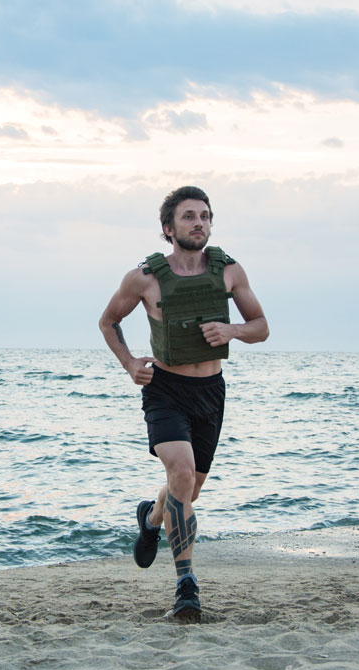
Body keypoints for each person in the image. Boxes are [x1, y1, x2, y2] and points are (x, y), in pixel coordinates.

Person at [98, 186, 269, 619]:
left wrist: (231, 332)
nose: (199, 223)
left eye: (206, 216)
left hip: (210, 391)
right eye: (189, 216)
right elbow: (109, 320)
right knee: (179, 473)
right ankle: (186, 584)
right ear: (168, 228)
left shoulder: (229, 271)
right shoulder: (144, 278)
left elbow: (261, 326)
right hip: (165, 389)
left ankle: (151, 520)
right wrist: (129, 362)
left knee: (186, 489)